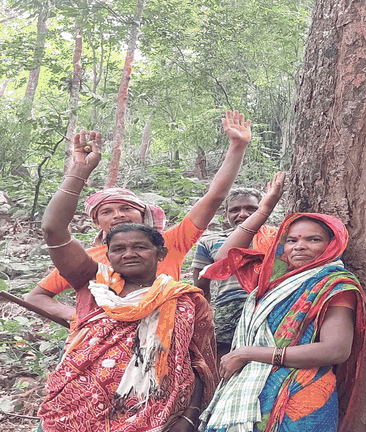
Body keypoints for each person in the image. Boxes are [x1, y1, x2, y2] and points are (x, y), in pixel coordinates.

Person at [37, 131, 218, 431]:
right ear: (107, 254)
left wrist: (189, 415)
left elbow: (196, 363)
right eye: (119, 249)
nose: (129, 253)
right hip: (77, 403)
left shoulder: (182, 300)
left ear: (160, 253)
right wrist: (79, 171)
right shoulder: (92, 282)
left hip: (155, 413)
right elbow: (53, 229)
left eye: (140, 247)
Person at [25, 110, 253, 325]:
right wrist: (82, 317)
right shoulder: (86, 262)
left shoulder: (168, 244)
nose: (118, 216)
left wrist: (237, 147)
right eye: (106, 212)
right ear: (96, 222)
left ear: (143, 214)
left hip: (163, 347)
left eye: (126, 208)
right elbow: (38, 293)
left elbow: (213, 197)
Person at [196, 211, 366, 432]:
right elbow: (223, 258)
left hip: (300, 397)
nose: (299, 246)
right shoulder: (271, 285)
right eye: (292, 240)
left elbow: (336, 350)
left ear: (332, 245)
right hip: (249, 396)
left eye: (313, 239)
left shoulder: (334, 286)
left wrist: (247, 353)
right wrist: (266, 205)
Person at [191, 186, 279, 359]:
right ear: (226, 214)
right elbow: (201, 289)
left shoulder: (277, 237)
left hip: (270, 305)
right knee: (224, 360)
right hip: (228, 309)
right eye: (235, 210)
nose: (243, 214)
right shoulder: (210, 241)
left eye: (251, 209)